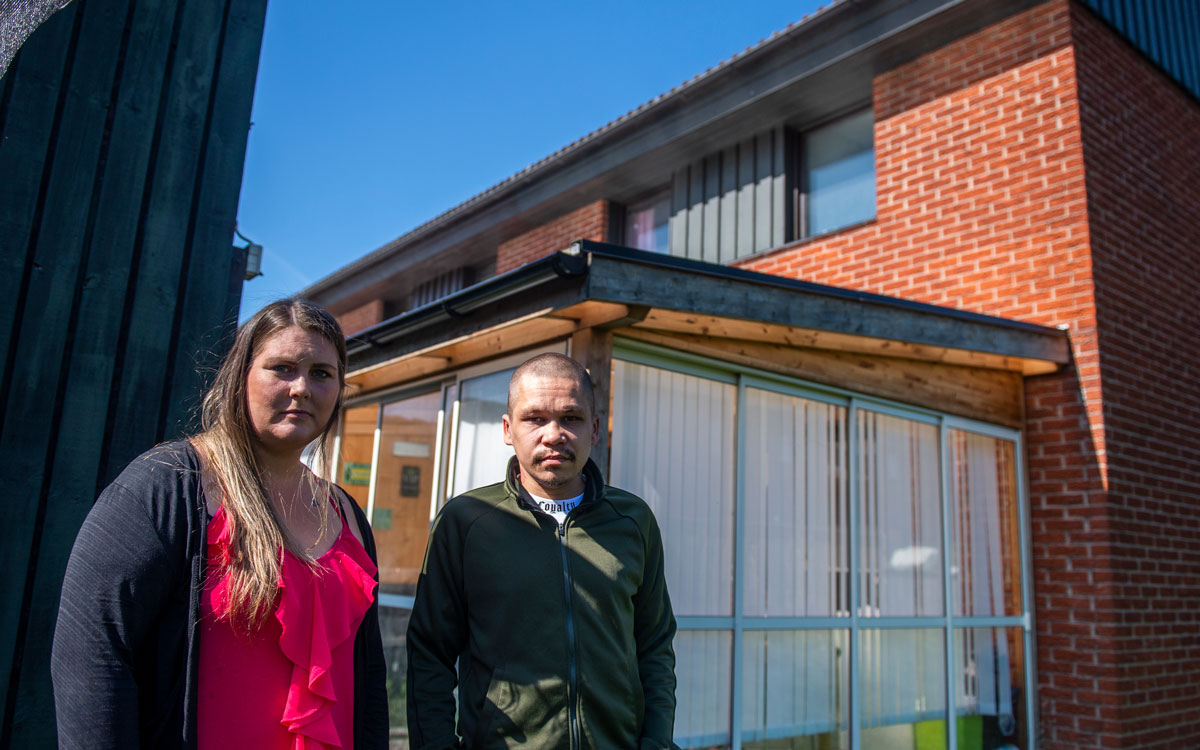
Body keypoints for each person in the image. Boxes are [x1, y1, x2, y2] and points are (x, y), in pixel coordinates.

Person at [51, 299, 388, 749]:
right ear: (239, 377)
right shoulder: (169, 484)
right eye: (282, 368)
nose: (302, 387)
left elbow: (368, 682)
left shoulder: (347, 513)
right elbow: (90, 653)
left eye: (321, 373)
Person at [406, 353, 677, 750]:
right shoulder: (467, 522)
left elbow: (654, 645)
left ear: (595, 429)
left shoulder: (633, 521)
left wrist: (655, 742)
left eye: (571, 418)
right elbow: (430, 653)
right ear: (507, 428)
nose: (554, 434)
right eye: (535, 418)